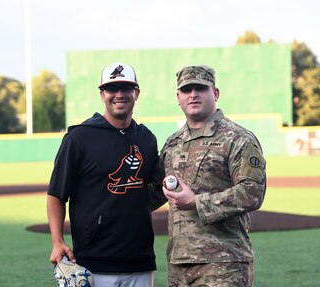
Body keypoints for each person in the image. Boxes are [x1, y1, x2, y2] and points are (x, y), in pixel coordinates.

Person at [47, 62, 166, 287]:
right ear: (102, 94)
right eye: (112, 89)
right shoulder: (79, 138)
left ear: (136, 93)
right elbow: (56, 194)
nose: (119, 94)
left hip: (140, 260)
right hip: (94, 261)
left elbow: (152, 189)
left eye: (126, 88)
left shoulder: (147, 139)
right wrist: (57, 241)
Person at [160, 65, 267, 287]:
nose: (193, 95)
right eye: (187, 89)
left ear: (215, 93)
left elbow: (252, 192)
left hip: (224, 264)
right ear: (178, 97)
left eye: (201, 88)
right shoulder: (172, 143)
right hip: (179, 264)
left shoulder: (238, 138)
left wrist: (196, 202)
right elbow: (155, 191)